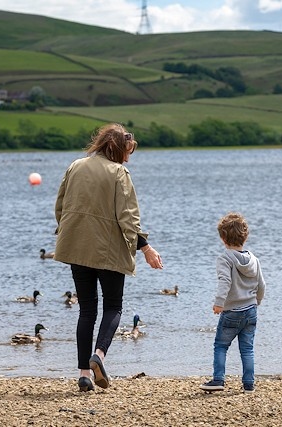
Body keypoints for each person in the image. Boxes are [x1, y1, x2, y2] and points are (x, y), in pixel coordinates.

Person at [54, 123, 163, 392]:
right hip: (108, 250)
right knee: (113, 307)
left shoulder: (75, 165)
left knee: (86, 311)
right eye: (129, 150)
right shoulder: (119, 173)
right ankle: (98, 356)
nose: (129, 156)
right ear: (118, 148)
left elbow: (60, 207)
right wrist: (145, 247)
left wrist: (70, 233)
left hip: (75, 246)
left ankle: (83, 375)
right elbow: (128, 218)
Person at [200, 212, 266, 394]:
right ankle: (248, 384)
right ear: (245, 236)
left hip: (232, 311)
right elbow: (262, 285)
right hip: (251, 310)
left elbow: (225, 282)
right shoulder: (254, 260)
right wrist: (257, 301)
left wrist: (219, 303)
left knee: (221, 345)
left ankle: (219, 379)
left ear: (223, 238)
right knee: (247, 348)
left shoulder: (225, 258)